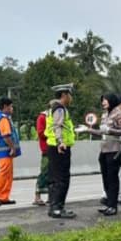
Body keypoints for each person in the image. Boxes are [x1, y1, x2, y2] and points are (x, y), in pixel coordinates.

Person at [44, 85, 76, 219]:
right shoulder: (60, 109)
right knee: (62, 179)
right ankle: (58, 208)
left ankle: (53, 207)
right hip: (60, 148)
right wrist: (60, 142)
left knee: (54, 178)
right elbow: (58, 126)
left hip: (53, 147)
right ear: (64, 95)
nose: (71, 98)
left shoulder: (53, 108)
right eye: (70, 94)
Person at [0, 97, 21, 206]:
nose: (12, 109)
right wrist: (12, 147)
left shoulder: (1, 118)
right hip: (4, 151)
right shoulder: (3, 119)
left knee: (8, 174)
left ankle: (3, 197)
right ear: (5, 107)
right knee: (4, 172)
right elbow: (6, 136)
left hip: (4, 151)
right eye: (11, 106)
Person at [32, 103, 55, 207]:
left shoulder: (56, 117)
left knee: (54, 174)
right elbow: (41, 133)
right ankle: (37, 196)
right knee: (44, 172)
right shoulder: (42, 117)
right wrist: (53, 132)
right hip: (47, 149)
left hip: (56, 148)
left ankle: (51, 197)